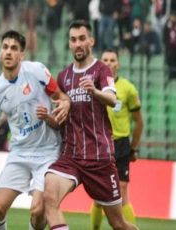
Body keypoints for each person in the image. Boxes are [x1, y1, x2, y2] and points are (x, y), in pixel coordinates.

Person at [0, 30, 70, 230]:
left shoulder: (37, 71)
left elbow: (60, 96)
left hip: (48, 152)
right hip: (19, 153)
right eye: (5, 47)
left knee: (38, 211)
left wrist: (65, 103)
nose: (9, 52)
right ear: (0, 53)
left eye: (14, 48)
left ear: (22, 55)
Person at [43, 20, 138, 230]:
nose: (77, 44)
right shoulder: (63, 77)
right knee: (49, 196)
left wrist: (94, 92)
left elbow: (112, 99)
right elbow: (60, 119)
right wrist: (51, 118)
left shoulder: (102, 70)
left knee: (118, 223)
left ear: (91, 41)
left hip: (99, 159)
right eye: (73, 40)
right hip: (71, 157)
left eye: (82, 39)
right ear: (69, 43)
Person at [90, 49, 144, 229]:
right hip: (99, 143)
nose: (109, 63)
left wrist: (133, 148)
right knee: (98, 196)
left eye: (112, 60)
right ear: (100, 63)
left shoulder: (128, 89)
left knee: (122, 190)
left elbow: (139, 122)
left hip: (120, 144)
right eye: (105, 60)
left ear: (118, 64)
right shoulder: (93, 87)